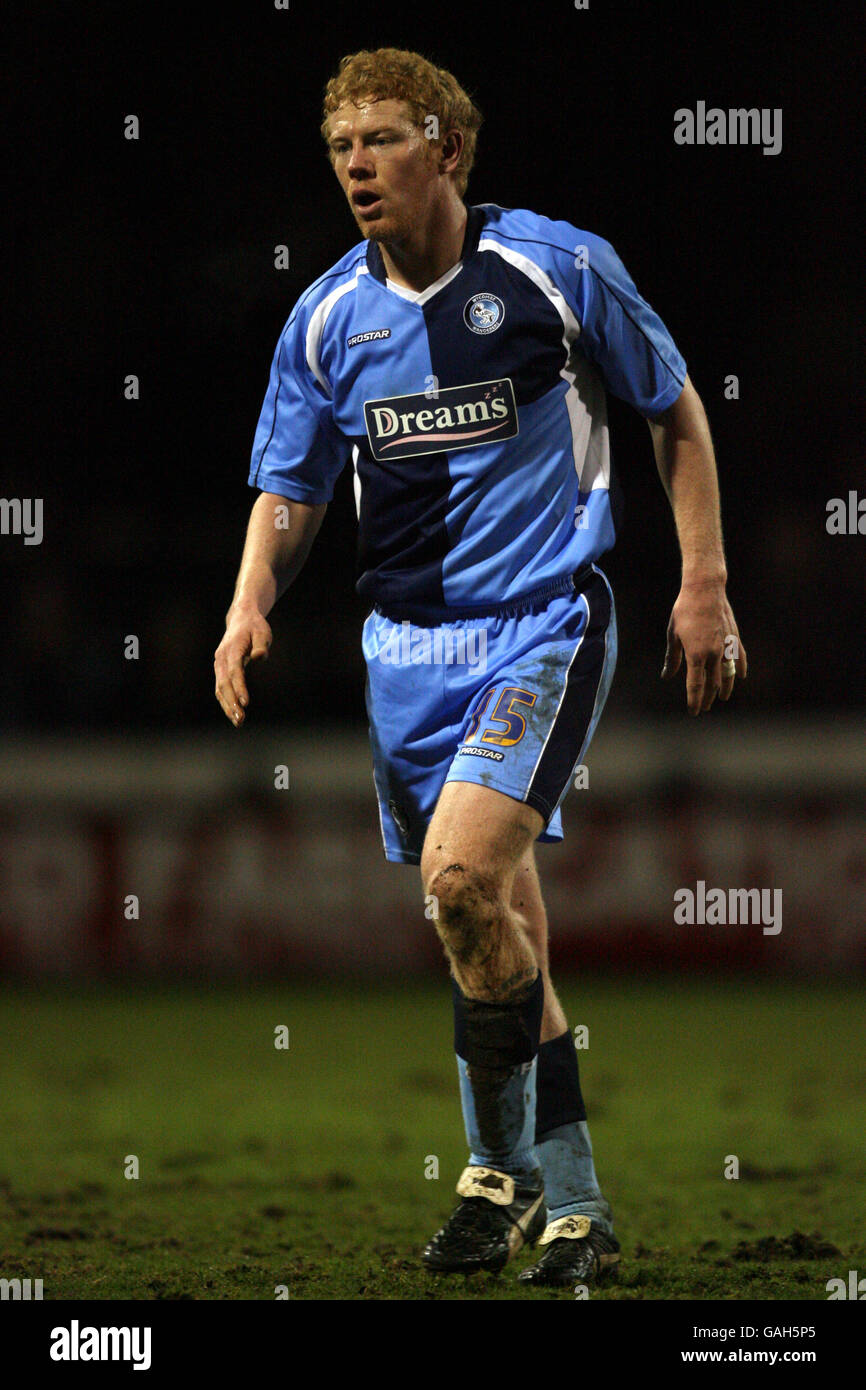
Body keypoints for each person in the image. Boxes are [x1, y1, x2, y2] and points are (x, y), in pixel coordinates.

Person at [214, 46, 747, 1287]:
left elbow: (671, 410)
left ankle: (528, 1189)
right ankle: (541, 1199)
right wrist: (248, 603)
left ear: (445, 150)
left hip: (540, 626)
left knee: (459, 882)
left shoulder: (555, 268)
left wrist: (703, 581)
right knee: (487, 927)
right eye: (341, 144)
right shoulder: (327, 318)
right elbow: (287, 487)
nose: (356, 164)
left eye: (383, 139)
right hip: (401, 653)